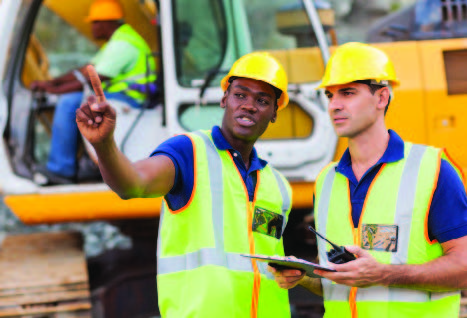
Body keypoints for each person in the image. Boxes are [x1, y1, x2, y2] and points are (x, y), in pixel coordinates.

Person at [77, 52, 294, 317]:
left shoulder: (279, 187)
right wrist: (104, 144)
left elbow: (269, 267)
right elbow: (133, 183)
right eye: (240, 95)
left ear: (274, 113)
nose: (249, 105)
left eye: (262, 101)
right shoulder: (189, 153)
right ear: (225, 98)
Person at [270, 42, 467, 318]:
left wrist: (384, 274)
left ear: (381, 98)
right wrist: (303, 275)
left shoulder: (433, 171)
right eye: (330, 95)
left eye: (348, 93)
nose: (335, 105)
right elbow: (339, 282)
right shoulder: (326, 181)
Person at [32, 0, 156, 184]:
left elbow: (93, 79)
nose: (92, 28)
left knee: (69, 102)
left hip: (130, 99)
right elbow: (84, 71)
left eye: (95, 22)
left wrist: (55, 91)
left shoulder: (124, 45)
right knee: (71, 98)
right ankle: (74, 163)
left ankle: (61, 169)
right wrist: (52, 83)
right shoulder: (118, 40)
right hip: (120, 96)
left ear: (108, 22)